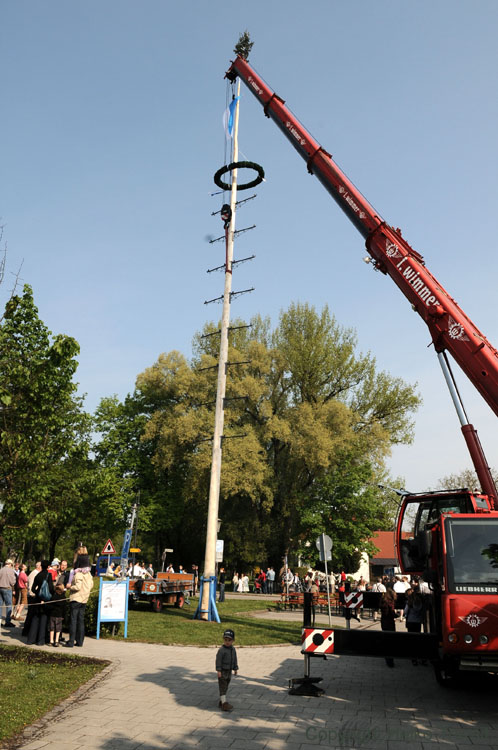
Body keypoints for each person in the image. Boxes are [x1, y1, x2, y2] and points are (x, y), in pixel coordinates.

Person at [65, 550, 94, 648]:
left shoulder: (78, 574)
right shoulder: (89, 574)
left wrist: (69, 586)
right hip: (84, 599)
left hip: (76, 599)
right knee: (81, 620)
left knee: (73, 620)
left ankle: (71, 641)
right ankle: (80, 641)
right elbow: (91, 586)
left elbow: (77, 587)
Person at [27, 560, 54, 645]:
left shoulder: (38, 575)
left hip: (37, 599)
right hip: (45, 600)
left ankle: (31, 639)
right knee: (43, 619)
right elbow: (50, 588)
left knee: (35, 619)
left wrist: (37, 593)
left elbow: (32, 588)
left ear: (41, 566)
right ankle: (40, 640)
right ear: (48, 566)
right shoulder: (48, 575)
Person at [216, 628, 238, 712]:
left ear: (233, 640)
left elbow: (234, 659)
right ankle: (224, 703)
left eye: (229, 640)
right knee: (222, 686)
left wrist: (235, 668)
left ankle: (222, 701)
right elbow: (218, 661)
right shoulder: (222, 650)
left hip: (229, 671)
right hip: (222, 671)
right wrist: (218, 670)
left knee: (226, 686)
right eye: (225, 640)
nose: (227, 642)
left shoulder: (233, 649)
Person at [380, 588, 397, 668]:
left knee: (386, 639)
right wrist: (396, 615)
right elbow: (392, 613)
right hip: (390, 622)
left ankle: (387, 657)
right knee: (391, 640)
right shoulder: (390, 603)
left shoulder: (383, 602)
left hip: (384, 621)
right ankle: (390, 660)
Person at [0, 558, 17, 628]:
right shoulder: (10, 570)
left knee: (0, 605)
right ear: (10, 564)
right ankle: (7, 621)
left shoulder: (1, 569)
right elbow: (12, 581)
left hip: (0, 588)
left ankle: (0, 620)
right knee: (9, 605)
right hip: (7, 588)